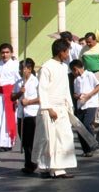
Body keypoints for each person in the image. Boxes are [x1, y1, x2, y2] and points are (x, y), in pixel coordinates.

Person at [32, 39, 78, 179]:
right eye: (67, 51)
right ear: (61, 52)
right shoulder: (46, 67)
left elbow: (65, 89)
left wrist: (69, 106)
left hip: (62, 107)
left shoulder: (64, 67)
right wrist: (48, 108)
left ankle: (58, 168)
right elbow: (42, 89)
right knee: (49, 139)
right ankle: (47, 168)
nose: (68, 54)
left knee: (64, 138)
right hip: (50, 108)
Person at [0, 43, 21, 151]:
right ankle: (1, 140)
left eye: (7, 52)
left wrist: (16, 97)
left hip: (9, 96)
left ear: (11, 53)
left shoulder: (16, 65)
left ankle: (7, 143)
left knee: (6, 121)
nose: (5, 55)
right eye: (3, 52)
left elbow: (19, 82)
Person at [12, 58, 39, 174]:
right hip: (21, 114)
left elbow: (41, 98)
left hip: (32, 114)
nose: (21, 71)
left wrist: (29, 102)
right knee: (24, 141)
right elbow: (12, 97)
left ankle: (33, 163)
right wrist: (20, 93)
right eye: (20, 69)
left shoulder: (36, 82)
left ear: (30, 69)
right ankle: (29, 163)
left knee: (31, 140)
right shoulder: (18, 82)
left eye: (23, 69)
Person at [70, 59, 99, 157]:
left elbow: (98, 86)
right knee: (79, 127)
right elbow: (75, 93)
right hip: (81, 104)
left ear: (76, 69)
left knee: (86, 123)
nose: (73, 73)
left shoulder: (89, 75)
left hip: (91, 104)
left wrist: (89, 95)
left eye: (73, 70)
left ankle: (92, 142)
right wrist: (78, 96)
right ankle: (86, 149)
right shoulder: (76, 80)